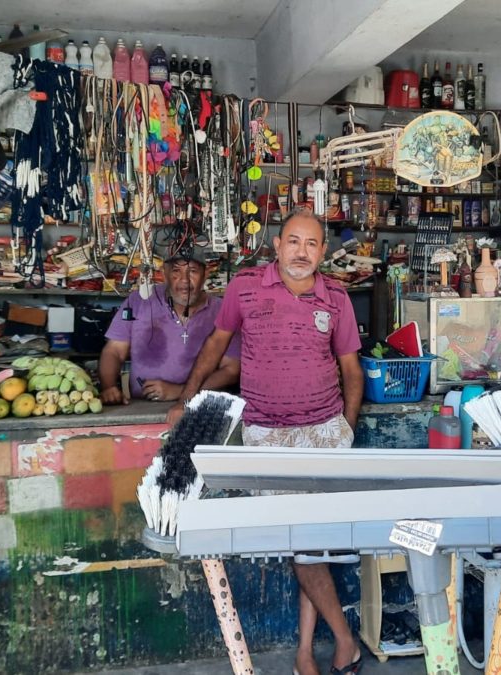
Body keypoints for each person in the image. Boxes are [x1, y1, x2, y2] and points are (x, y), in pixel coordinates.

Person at [169, 210, 364, 675]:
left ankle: (302, 653)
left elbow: (352, 371)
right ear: (277, 246)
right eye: (293, 241)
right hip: (267, 435)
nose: (301, 252)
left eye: (312, 244)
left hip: (323, 432)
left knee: (309, 543)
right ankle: (344, 640)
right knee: (301, 540)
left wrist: (347, 431)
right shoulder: (245, 287)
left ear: (322, 252)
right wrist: (185, 397)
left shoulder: (335, 297)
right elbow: (216, 344)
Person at [98, 249, 240, 405]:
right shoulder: (139, 301)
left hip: (201, 407)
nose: (184, 280)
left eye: (192, 271)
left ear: (205, 274)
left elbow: (231, 369)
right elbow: (114, 350)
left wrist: (180, 392)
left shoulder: (221, 310)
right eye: (176, 271)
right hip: (143, 406)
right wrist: (109, 387)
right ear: (164, 273)